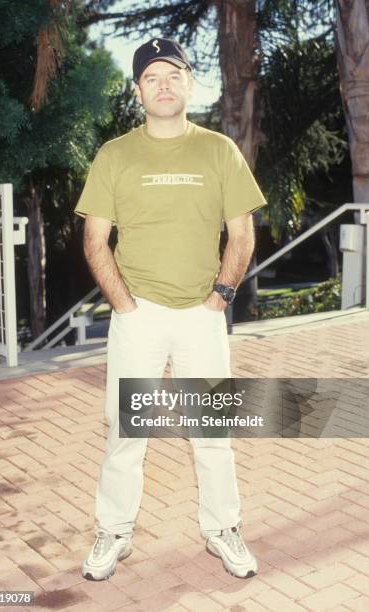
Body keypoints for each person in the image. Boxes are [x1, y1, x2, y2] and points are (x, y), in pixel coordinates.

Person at [74, 38, 267, 582]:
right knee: (126, 432)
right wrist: (125, 307)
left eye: (173, 75)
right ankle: (113, 532)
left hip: (201, 317)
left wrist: (219, 300)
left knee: (213, 432)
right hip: (139, 316)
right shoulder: (114, 154)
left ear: (189, 83)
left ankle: (222, 528)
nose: (163, 85)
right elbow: (95, 239)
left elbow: (241, 232)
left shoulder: (219, 150)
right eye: (152, 77)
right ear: (139, 90)